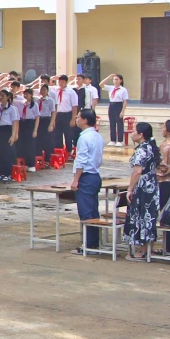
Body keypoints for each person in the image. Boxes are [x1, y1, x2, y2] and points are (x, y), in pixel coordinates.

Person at [121, 122, 160, 260]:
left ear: (141, 134)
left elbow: (137, 171)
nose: (131, 133)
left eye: (134, 131)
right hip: (152, 184)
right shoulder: (151, 147)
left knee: (142, 215)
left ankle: (143, 250)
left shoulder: (142, 149)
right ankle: (148, 248)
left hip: (143, 186)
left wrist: (130, 188)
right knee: (149, 216)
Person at [72, 108, 106, 253]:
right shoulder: (98, 136)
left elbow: (82, 160)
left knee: (86, 212)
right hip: (94, 176)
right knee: (92, 211)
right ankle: (93, 242)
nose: (76, 119)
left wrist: (76, 179)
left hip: (86, 176)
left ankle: (89, 245)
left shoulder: (84, 138)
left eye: (78, 117)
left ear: (85, 120)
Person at [104, 74, 129, 145]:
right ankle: (113, 140)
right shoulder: (111, 88)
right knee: (112, 123)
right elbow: (101, 84)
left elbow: (125, 101)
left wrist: (123, 111)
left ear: (121, 80)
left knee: (119, 123)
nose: (115, 81)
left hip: (119, 105)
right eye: (114, 79)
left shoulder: (123, 90)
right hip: (111, 105)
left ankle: (120, 140)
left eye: (117, 79)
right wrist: (108, 77)